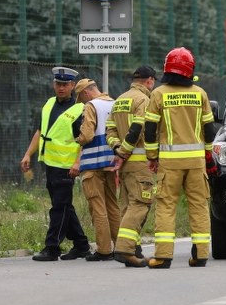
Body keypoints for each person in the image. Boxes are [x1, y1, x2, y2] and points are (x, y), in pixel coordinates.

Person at [142, 47, 217, 269]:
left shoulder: (158, 94)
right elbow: (209, 130)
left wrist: (152, 156)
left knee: (166, 206)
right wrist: (207, 153)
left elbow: (149, 129)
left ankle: (163, 256)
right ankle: (200, 255)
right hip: (196, 163)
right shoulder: (200, 93)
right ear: (190, 70)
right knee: (199, 206)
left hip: (169, 162)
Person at [21, 66, 91, 261]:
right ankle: (81, 245)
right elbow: (40, 132)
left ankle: (52, 247)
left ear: (72, 86)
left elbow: (83, 139)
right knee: (64, 206)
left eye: (65, 84)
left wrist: (78, 162)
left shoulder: (79, 109)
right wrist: (28, 155)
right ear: (53, 85)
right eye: (58, 84)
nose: (61, 88)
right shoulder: (49, 104)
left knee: (59, 207)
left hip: (66, 167)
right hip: (50, 164)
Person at [106, 65, 158, 268]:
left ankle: (134, 249)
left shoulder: (120, 99)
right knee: (141, 204)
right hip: (139, 164)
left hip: (125, 165)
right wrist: (125, 150)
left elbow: (109, 129)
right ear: (150, 81)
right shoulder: (144, 100)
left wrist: (118, 149)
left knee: (127, 207)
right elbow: (138, 128)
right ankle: (125, 249)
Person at [73, 78, 119, 261]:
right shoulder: (115, 103)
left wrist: (78, 139)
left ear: (85, 93)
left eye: (81, 98)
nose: (82, 102)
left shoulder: (91, 106)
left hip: (93, 165)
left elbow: (87, 134)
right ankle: (122, 246)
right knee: (113, 207)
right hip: (111, 162)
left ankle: (104, 250)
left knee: (98, 208)